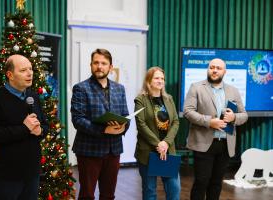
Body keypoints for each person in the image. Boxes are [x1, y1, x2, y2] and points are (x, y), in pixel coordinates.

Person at [0, 54, 48, 200]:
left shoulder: (33, 97)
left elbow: (45, 125)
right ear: (10, 74)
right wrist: (23, 129)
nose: (29, 73)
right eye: (23, 70)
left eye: (30, 69)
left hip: (32, 173)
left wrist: (40, 131)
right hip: (7, 176)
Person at [183, 58, 248, 200]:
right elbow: (188, 111)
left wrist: (234, 118)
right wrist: (209, 122)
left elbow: (244, 115)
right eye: (212, 67)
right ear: (208, 69)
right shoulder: (196, 87)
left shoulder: (233, 91)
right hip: (203, 143)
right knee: (201, 182)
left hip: (225, 144)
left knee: (216, 183)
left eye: (218, 68)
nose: (214, 70)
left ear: (224, 71)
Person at [71, 48, 130, 200]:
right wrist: (104, 130)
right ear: (91, 65)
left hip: (114, 150)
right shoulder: (81, 88)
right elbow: (78, 120)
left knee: (108, 195)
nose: (99, 66)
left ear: (110, 67)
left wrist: (123, 127)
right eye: (96, 62)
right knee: (87, 195)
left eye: (104, 63)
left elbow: (125, 115)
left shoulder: (120, 89)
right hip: (89, 150)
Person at [134, 67, 180, 200]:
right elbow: (141, 125)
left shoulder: (169, 98)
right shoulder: (140, 99)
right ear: (149, 81)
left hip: (168, 150)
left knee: (174, 189)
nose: (160, 81)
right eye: (156, 78)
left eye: (162, 78)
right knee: (150, 191)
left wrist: (166, 142)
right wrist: (158, 144)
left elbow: (176, 121)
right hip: (148, 152)